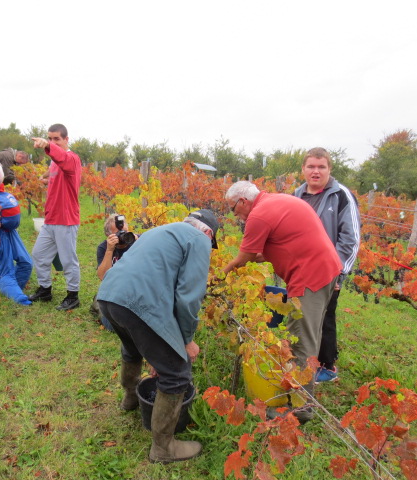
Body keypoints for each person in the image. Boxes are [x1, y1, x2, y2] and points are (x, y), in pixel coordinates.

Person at [97, 209, 219, 464]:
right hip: (137, 302)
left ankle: (130, 399)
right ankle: (163, 449)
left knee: (132, 349)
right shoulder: (199, 240)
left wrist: (160, 349)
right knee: (176, 373)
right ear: (208, 233)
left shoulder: (161, 231)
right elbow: (188, 297)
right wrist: (185, 340)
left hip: (109, 295)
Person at [222, 181, 342, 421]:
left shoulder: (259, 215)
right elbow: (276, 247)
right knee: (312, 334)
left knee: (301, 340)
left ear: (243, 201)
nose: (235, 215)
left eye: (234, 209)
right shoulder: (278, 201)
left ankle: (301, 408)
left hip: (309, 277)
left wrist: (219, 276)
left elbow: (243, 259)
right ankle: (304, 394)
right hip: (326, 270)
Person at [293, 147, 361, 383]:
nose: (315, 171)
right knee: (303, 315)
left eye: (321, 167)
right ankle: (304, 360)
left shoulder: (341, 195)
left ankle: (327, 366)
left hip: (329, 272)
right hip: (301, 270)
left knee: (325, 316)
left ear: (329, 169)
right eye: (311, 166)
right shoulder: (297, 195)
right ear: (303, 169)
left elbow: (350, 239)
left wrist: (339, 274)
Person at [29, 124, 82, 310]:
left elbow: (62, 158)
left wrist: (47, 146)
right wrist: (44, 179)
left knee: (68, 260)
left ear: (67, 139)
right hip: (50, 219)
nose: (53, 142)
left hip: (66, 220)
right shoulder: (54, 162)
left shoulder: (72, 159)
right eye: (50, 139)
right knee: (39, 255)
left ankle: (73, 296)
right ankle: (45, 290)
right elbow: (56, 171)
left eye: (57, 139)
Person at [0, 161, 33, 305]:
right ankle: (18, 296)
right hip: (1, 234)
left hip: (11, 232)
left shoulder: (1, 193)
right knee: (5, 272)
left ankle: (14, 289)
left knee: (26, 262)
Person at [94, 214, 138, 331]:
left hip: (134, 290)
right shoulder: (104, 247)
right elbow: (103, 276)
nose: (123, 236)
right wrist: (110, 250)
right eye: (118, 233)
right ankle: (99, 304)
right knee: (113, 325)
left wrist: (140, 244)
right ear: (108, 236)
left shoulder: (137, 241)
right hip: (112, 291)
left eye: (125, 231)